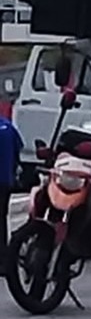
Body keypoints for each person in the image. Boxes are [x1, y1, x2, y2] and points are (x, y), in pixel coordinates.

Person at [0, 117, 23, 274]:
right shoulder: (9, 127)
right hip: (5, 180)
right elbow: (18, 150)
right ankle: (3, 260)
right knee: (1, 219)